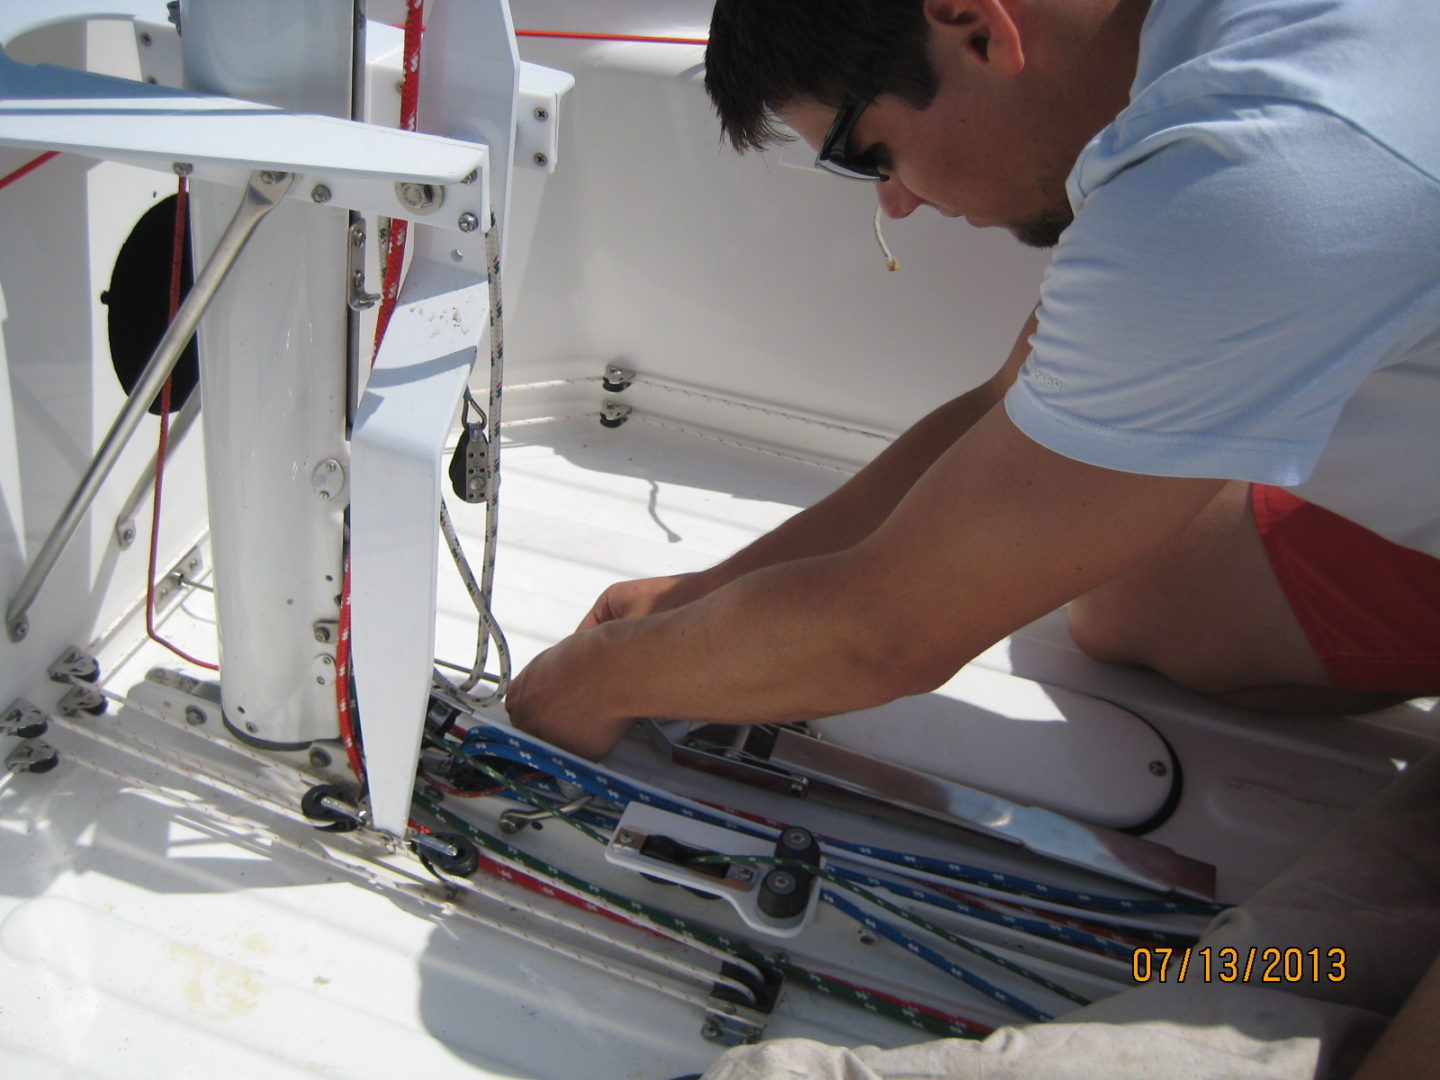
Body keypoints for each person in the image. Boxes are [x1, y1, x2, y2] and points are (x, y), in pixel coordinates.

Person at [505, 2, 1440, 1073]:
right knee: (1147, 597)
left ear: (975, 26)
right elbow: (1014, 410)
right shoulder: (1207, 57)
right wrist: (707, 596)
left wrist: (595, 679)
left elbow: (882, 636)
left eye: (871, 155)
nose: (898, 202)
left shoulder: (1251, 170)